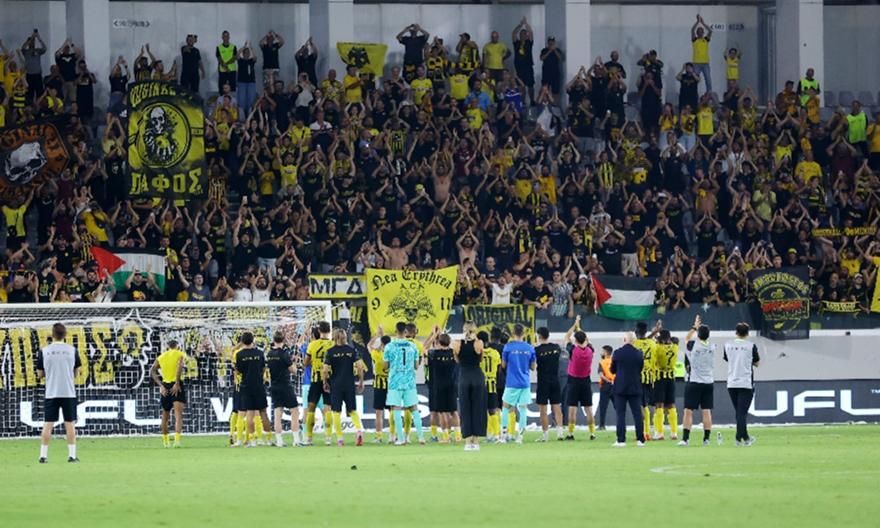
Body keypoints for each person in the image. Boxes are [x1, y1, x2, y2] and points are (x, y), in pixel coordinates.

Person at [36, 323, 80, 463]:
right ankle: (72, 456)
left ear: (52, 334)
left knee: (48, 424)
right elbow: (77, 373)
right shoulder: (72, 350)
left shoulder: (44, 351)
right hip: (68, 392)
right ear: (65, 334)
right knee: (70, 424)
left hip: (51, 392)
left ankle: (43, 456)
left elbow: (40, 374)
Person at [383, 321, 425, 445]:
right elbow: (416, 366)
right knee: (414, 408)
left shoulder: (389, 346)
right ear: (405, 331)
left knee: (396, 409)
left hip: (395, 382)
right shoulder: (413, 346)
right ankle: (421, 437)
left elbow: (385, 366)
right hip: (409, 381)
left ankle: (401, 439)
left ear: (395, 331)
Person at [322, 329, 366, 447]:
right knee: (352, 410)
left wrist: (325, 382)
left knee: (336, 411)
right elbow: (360, 366)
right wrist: (361, 381)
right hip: (349, 383)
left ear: (335, 337)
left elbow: (325, 370)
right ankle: (358, 430)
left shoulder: (330, 352)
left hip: (336, 384)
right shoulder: (352, 350)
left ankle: (340, 438)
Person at [679, 315, 715, 446]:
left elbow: (686, 338)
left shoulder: (693, 345)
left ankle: (685, 439)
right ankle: (706, 439)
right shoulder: (712, 346)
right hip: (708, 383)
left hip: (694, 382)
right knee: (706, 411)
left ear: (698, 335)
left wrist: (694, 327)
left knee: (688, 411)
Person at [234, 332, 272, 448]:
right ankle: (269, 439)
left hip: (246, 386)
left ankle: (252, 440)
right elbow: (263, 368)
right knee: (263, 412)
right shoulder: (260, 353)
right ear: (253, 340)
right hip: (259, 385)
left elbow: (238, 371)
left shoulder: (239, 355)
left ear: (242, 341)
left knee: (249, 414)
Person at [500, 324, 536, 444]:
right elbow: (533, 367)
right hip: (524, 382)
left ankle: (503, 436)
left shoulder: (508, 347)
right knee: (523, 409)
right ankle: (520, 437)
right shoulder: (530, 348)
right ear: (524, 333)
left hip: (511, 382)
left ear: (513, 333)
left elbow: (503, 365)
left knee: (505, 407)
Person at [724, 322, 760, 446]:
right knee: (742, 413)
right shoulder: (751, 346)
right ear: (747, 333)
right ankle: (738, 439)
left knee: (739, 413)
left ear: (736, 332)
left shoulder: (727, 345)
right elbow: (757, 363)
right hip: (745, 383)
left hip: (732, 383)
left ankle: (746, 438)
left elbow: (727, 359)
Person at [452, 321, 486, 451]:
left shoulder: (457, 343)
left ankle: (467, 441)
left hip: (464, 376)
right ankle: (476, 441)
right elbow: (481, 358)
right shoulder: (479, 343)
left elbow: (457, 360)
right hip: (477, 376)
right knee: (478, 408)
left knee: (465, 408)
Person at [563, 315, 597, 440]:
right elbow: (586, 339)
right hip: (586, 380)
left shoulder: (573, 350)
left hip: (573, 380)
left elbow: (567, 337)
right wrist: (579, 327)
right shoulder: (590, 350)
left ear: (576, 341)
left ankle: (570, 433)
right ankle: (592, 433)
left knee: (572, 408)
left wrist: (575, 325)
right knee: (588, 409)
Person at [610, 332, 646, 447]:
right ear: (634, 341)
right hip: (635, 386)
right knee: (637, 414)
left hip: (620, 387)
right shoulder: (639, 353)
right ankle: (640, 439)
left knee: (620, 414)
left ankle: (621, 440)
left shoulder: (617, 353)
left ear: (625, 339)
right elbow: (640, 368)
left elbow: (612, 370)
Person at [267, 332, 302, 447]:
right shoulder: (284, 354)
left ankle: (279, 441)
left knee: (278, 414)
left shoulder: (269, 354)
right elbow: (293, 370)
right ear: (283, 340)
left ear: (274, 340)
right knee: (294, 411)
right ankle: (296, 440)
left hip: (274, 386)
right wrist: (294, 362)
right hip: (285, 386)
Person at [150, 339, 186, 448]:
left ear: (168, 347)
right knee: (178, 415)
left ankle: (166, 442)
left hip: (165, 386)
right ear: (177, 346)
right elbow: (180, 366)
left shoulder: (161, 357)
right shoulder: (180, 354)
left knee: (165, 416)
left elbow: (152, 371)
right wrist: (177, 382)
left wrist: (161, 385)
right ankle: (177, 441)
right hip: (176, 386)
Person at [304, 321, 334, 446]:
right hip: (329, 379)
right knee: (328, 407)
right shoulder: (333, 344)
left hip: (316, 379)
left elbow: (306, 363)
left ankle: (309, 438)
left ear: (319, 331)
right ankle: (328, 438)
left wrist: (313, 361)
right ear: (329, 331)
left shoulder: (312, 344)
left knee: (311, 407)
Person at [425, 328, 458, 443]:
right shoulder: (453, 353)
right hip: (452, 385)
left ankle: (445, 437)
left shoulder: (434, 354)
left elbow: (424, 349)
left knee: (442, 412)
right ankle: (458, 436)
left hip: (438, 386)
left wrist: (434, 335)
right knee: (453, 411)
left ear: (438, 342)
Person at [534, 326, 564, 442]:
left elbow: (533, 364)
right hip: (555, 381)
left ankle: (545, 435)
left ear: (539, 336)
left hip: (543, 382)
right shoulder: (556, 348)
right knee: (557, 407)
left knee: (543, 410)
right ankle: (560, 433)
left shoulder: (537, 350)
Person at [633, 320, 660, 439]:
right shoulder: (652, 343)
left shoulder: (634, 344)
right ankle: (650, 432)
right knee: (648, 404)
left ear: (636, 331)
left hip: (638, 378)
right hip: (650, 378)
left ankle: (644, 432)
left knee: (640, 405)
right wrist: (654, 333)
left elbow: (640, 343)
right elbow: (646, 341)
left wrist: (653, 333)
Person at [652, 329, 679, 440]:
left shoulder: (658, 348)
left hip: (660, 378)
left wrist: (655, 335)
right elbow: (675, 341)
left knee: (659, 405)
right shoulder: (675, 347)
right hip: (671, 378)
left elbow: (653, 345)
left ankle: (660, 432)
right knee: (671, 405)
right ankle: (674, 432)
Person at [478, 331, 502, 442]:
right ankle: (497, 434)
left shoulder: (478, 353)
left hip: (481, 384)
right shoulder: (495, 353)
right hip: (492, 383)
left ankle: (489, 434)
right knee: (493, 410)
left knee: (483, 410)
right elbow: (499, 369)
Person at [368, 331, 391, 443]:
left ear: (381, 343)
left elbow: (369, 346)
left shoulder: (376, 354)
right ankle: (393, 435)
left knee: (379, 412)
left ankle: (379, 436)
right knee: (392, 411)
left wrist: (377, 335)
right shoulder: (393, 355)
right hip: (391, 385)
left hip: (379, 385)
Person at [512, 17, 535, 102]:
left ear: (526, 35)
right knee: (521, 86)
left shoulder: (529, 43)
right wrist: (520, 25)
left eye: (524, 34)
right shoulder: (516, 43)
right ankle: (523, 102)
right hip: (519, 67)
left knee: (530, 85)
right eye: (521, 34)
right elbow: (514, 33)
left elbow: (531, 32)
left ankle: (532, 100)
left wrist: (526, 24)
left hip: (528, 67)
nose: (523, 36)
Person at [690, 14, 713, 93]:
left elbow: (710, 31)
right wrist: (697, 22)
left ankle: (709, 93)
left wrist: (703, 23)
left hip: (705, 63)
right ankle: (693, 93)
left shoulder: (706, 40)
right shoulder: (695, 40)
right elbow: (692, 30)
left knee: (708, 79)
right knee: (694, 80)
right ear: (697, 33)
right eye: (698, 31)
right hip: (696, 63)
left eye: (701, 31)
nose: (700, 33)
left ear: (703, 32)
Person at [596, 345, 615, 430]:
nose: (601, 353)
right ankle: (621, 424)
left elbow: (601, 374)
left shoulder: (602, 362)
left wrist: (607, 381)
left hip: (605, 386)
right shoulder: (614, 361)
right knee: (618, 406)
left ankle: (602, 425)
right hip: (615, 385)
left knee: (603, 407)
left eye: (603, 351)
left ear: (606, 353)